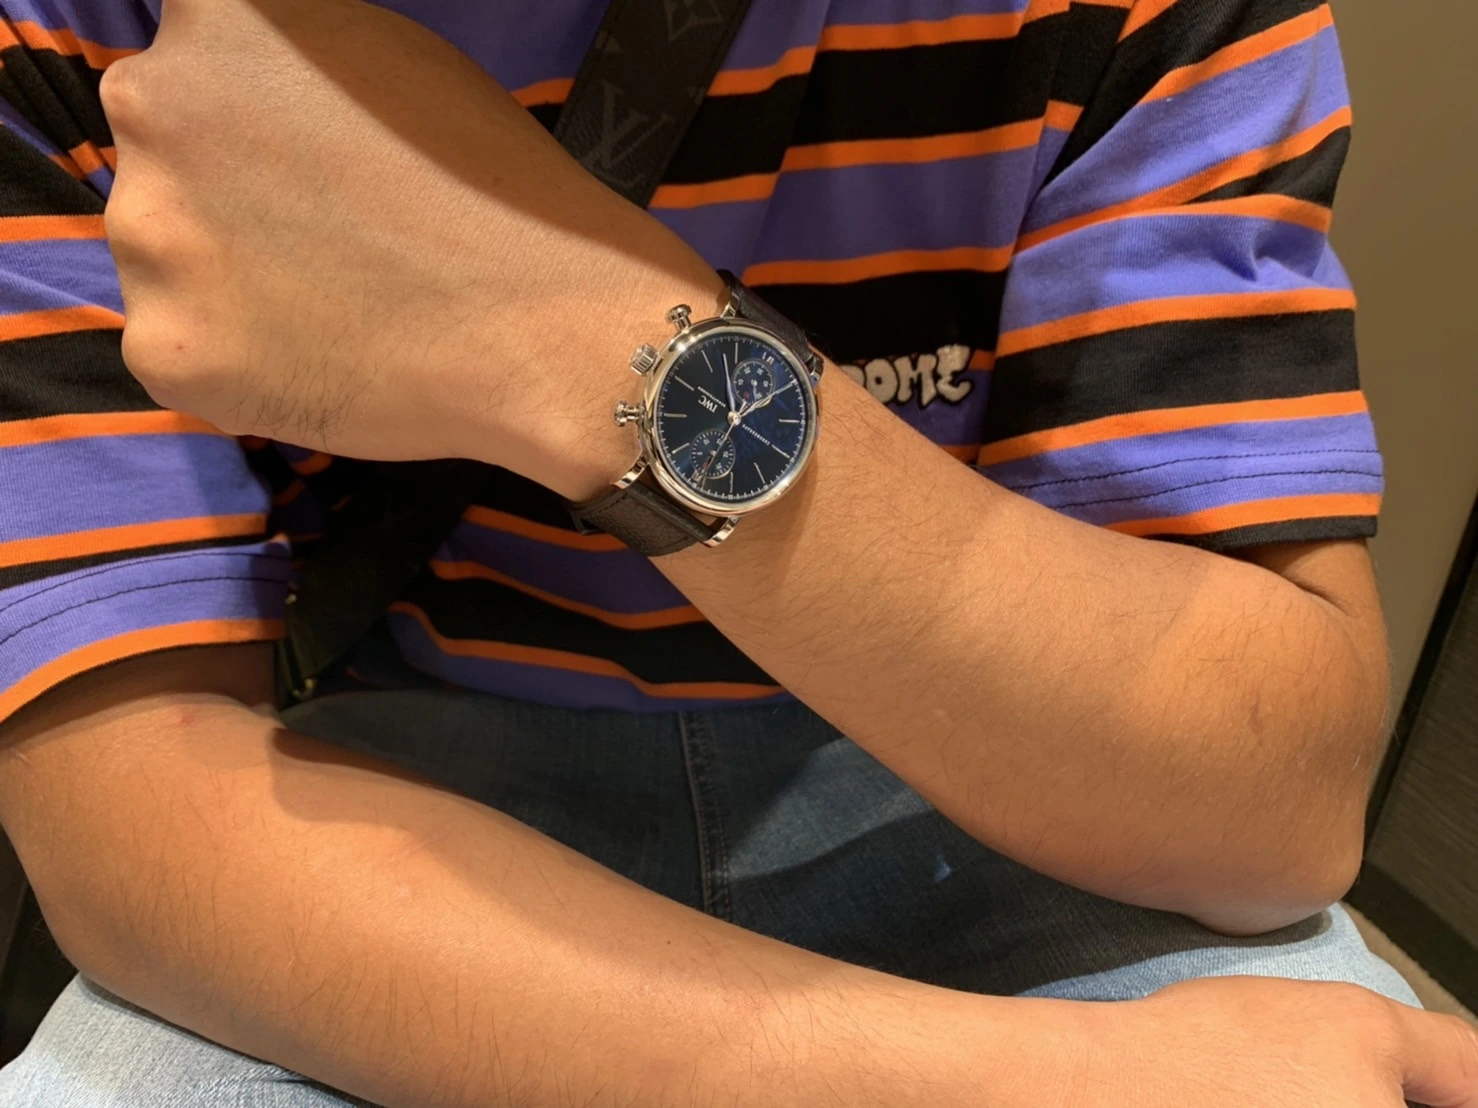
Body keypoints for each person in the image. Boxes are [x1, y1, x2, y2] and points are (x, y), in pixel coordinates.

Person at [0, 0, 1474, 1104]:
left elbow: (1268, 814)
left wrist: (564, 328)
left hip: (1011, 773)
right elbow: (131, 820)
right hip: (370, 817)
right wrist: (1044, 1083)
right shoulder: (76, 31)